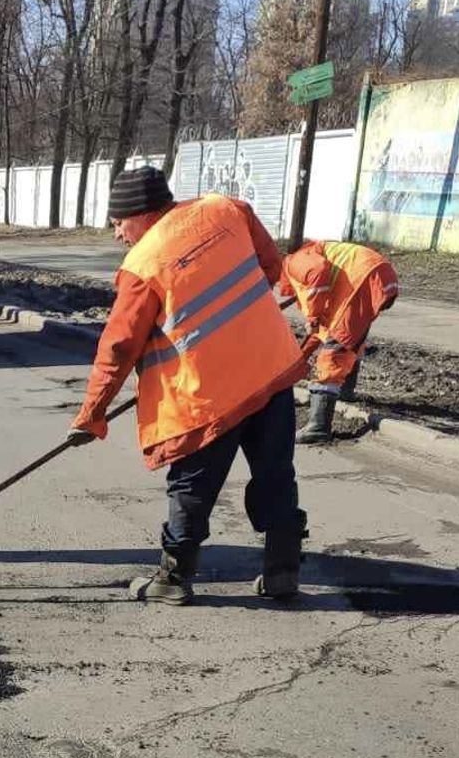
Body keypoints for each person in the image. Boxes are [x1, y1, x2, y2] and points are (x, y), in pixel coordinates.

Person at [68, 167, 310, 606]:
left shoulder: (144, 264)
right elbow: (271, 267)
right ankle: (283, 570)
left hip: (210, 395)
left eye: (119, 223)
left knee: (192, 486)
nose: (118, 234)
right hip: (269, 370)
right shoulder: (225, 209)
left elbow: (118, 348)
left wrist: (92, 414)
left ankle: (174, 577)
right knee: (275, 472)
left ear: (140, 215)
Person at [280, 240, 399, 444]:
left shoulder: (293, 263)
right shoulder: (322, 262)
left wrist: (312, 317)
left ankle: (318, 427)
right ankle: (344, 392)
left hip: (363, 279)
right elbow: (321, 332)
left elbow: (317, 272)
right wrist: (297, 360)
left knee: (333, 354)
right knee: (349, 339)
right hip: (381, 278)